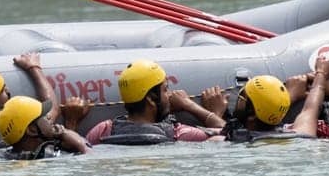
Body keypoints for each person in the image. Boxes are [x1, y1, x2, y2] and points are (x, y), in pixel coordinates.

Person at [85, 60, 225, 145]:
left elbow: (79, 147)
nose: (169, 95)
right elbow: (229, 133)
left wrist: (71, 123)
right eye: (165, 90)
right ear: (151, 100)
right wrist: (190, 105)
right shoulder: (179, 134)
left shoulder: (103, 130)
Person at [209, 74, 301, 142]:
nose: (238, 100)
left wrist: (217, 114)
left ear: (252, 114)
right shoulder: (296, 134)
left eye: (241, 98)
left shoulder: (219, 141)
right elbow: (308, 110)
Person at [0, 96, 92, 159]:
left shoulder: (6, 155)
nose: (49, 117)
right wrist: (80, 145)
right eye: (44, 116)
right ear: (32, 130)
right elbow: (91, 157)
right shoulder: (48, 158)